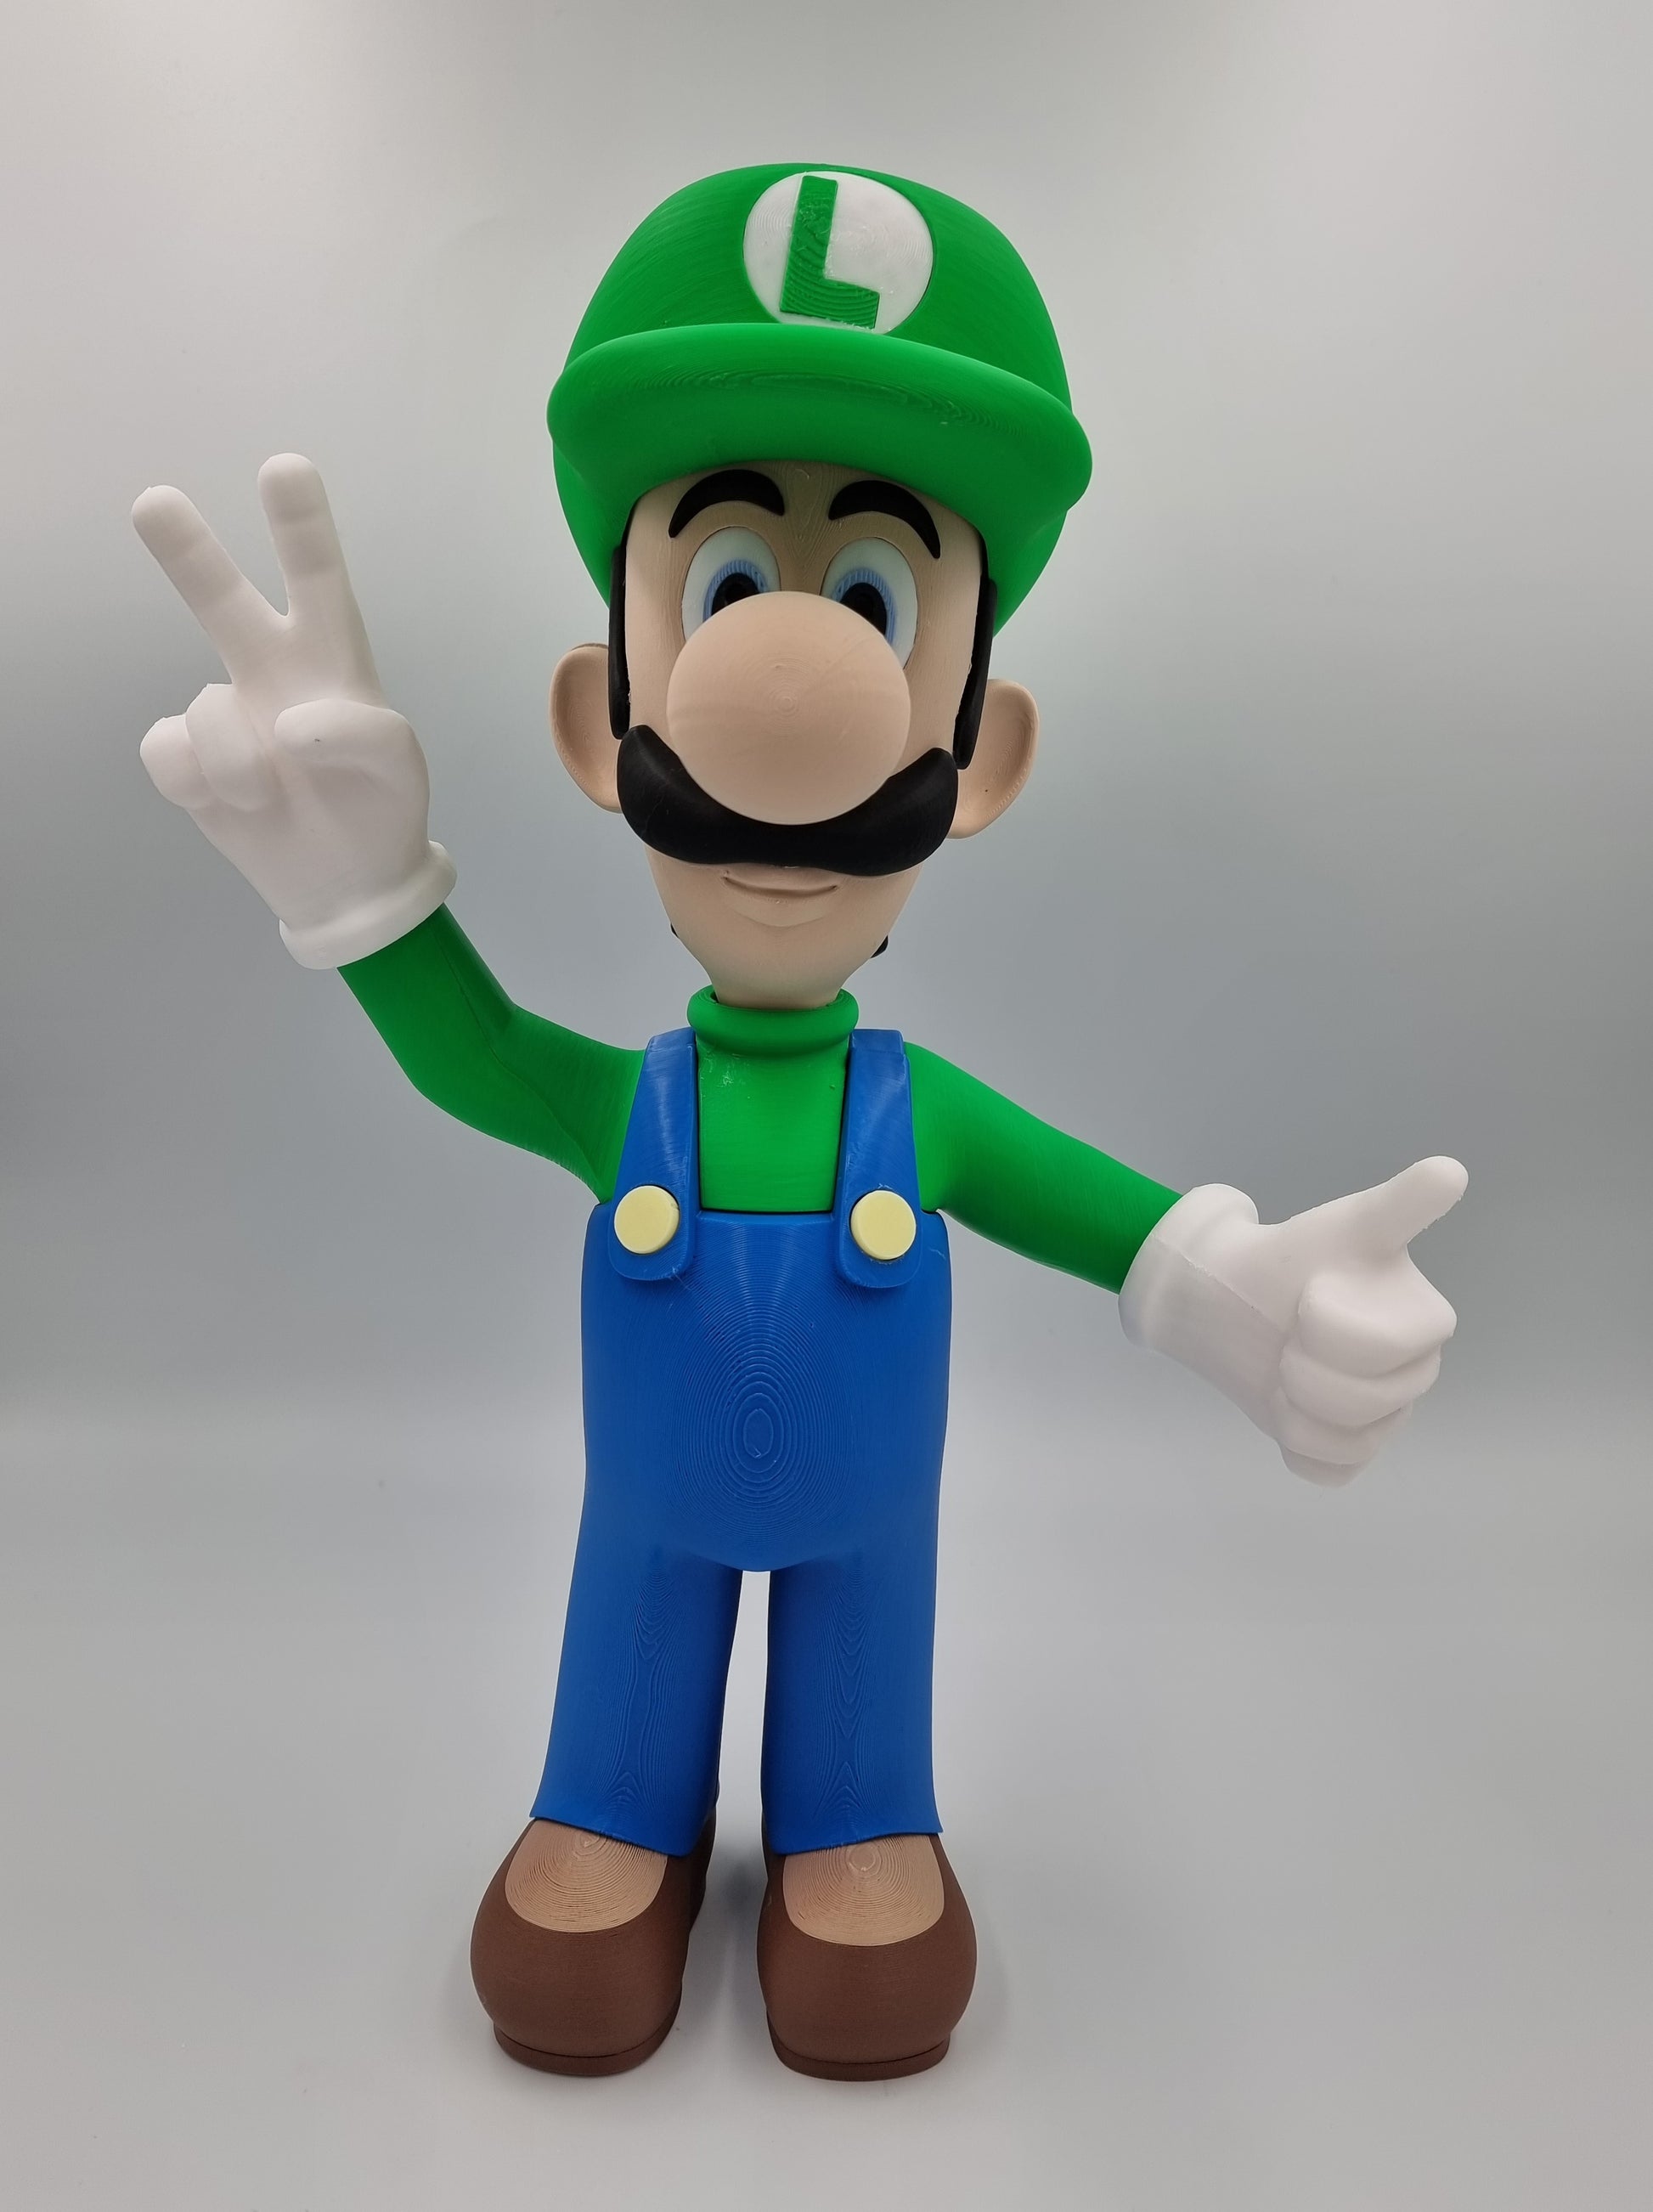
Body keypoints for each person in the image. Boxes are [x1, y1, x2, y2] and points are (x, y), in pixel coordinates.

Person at [133, 164, 1464, 2080]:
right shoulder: (627, 1103)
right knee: (605, 1769)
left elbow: (1114, 1221)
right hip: (642, 1542)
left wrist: (1243, 1295)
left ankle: (852, 1805)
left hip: (871, 1550)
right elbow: (473, 1051)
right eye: (729, 590)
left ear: (978, 758)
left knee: (865, 1808)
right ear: (598, 726)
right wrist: (367, 896)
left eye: (871, 607)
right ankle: (618, 1793)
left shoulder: (924, 1117)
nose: (794, 694)